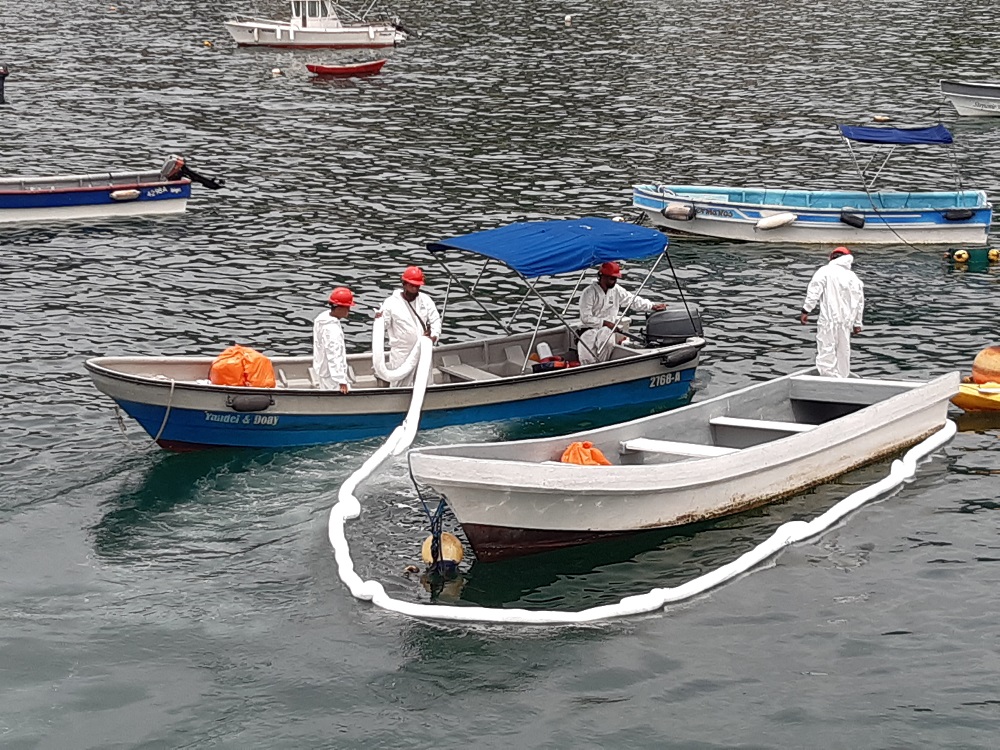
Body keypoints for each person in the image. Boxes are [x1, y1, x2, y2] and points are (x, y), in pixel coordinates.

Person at [577, 261, 667, 365]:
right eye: (612, 278)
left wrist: (652, 306)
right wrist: (606, 323)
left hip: (607, 330)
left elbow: (632, 300)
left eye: (615, 279)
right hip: (589, 329)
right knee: (586, 356)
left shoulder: (616, 290)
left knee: (606, 339)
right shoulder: (588, 292)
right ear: (602, 276)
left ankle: (602, 367)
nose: (614, 281)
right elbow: (586, 318)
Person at [800, 246, 865, 378]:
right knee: (843, 352)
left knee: (826, 350)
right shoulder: (853, 277)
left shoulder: (824, 271)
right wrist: (857, 323)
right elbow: (859, 301)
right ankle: (843, 377)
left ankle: (829, 379)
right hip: (847, 322)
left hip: (828, 319)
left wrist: (806, 310)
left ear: (832, 257)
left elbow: (814, 292)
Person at [375, 265, 442, 387]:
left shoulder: (425, 300)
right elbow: (384, 325)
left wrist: (434, 336)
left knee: (425, 384)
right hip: (402, 353)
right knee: (400, 383)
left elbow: (435, 320)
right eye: (412, 285)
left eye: (417, 286)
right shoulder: (391, 303)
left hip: (423, 350)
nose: (415, 289)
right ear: (404, 284)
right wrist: (379, 320)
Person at [312, 286, 356, 393]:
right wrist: (341, 380)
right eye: (347, 307)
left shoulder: (322, 319)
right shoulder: (332, 330)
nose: (349, 310)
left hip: (323, 371)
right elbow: (334, 355)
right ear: (339, 308)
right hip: (331, 376)